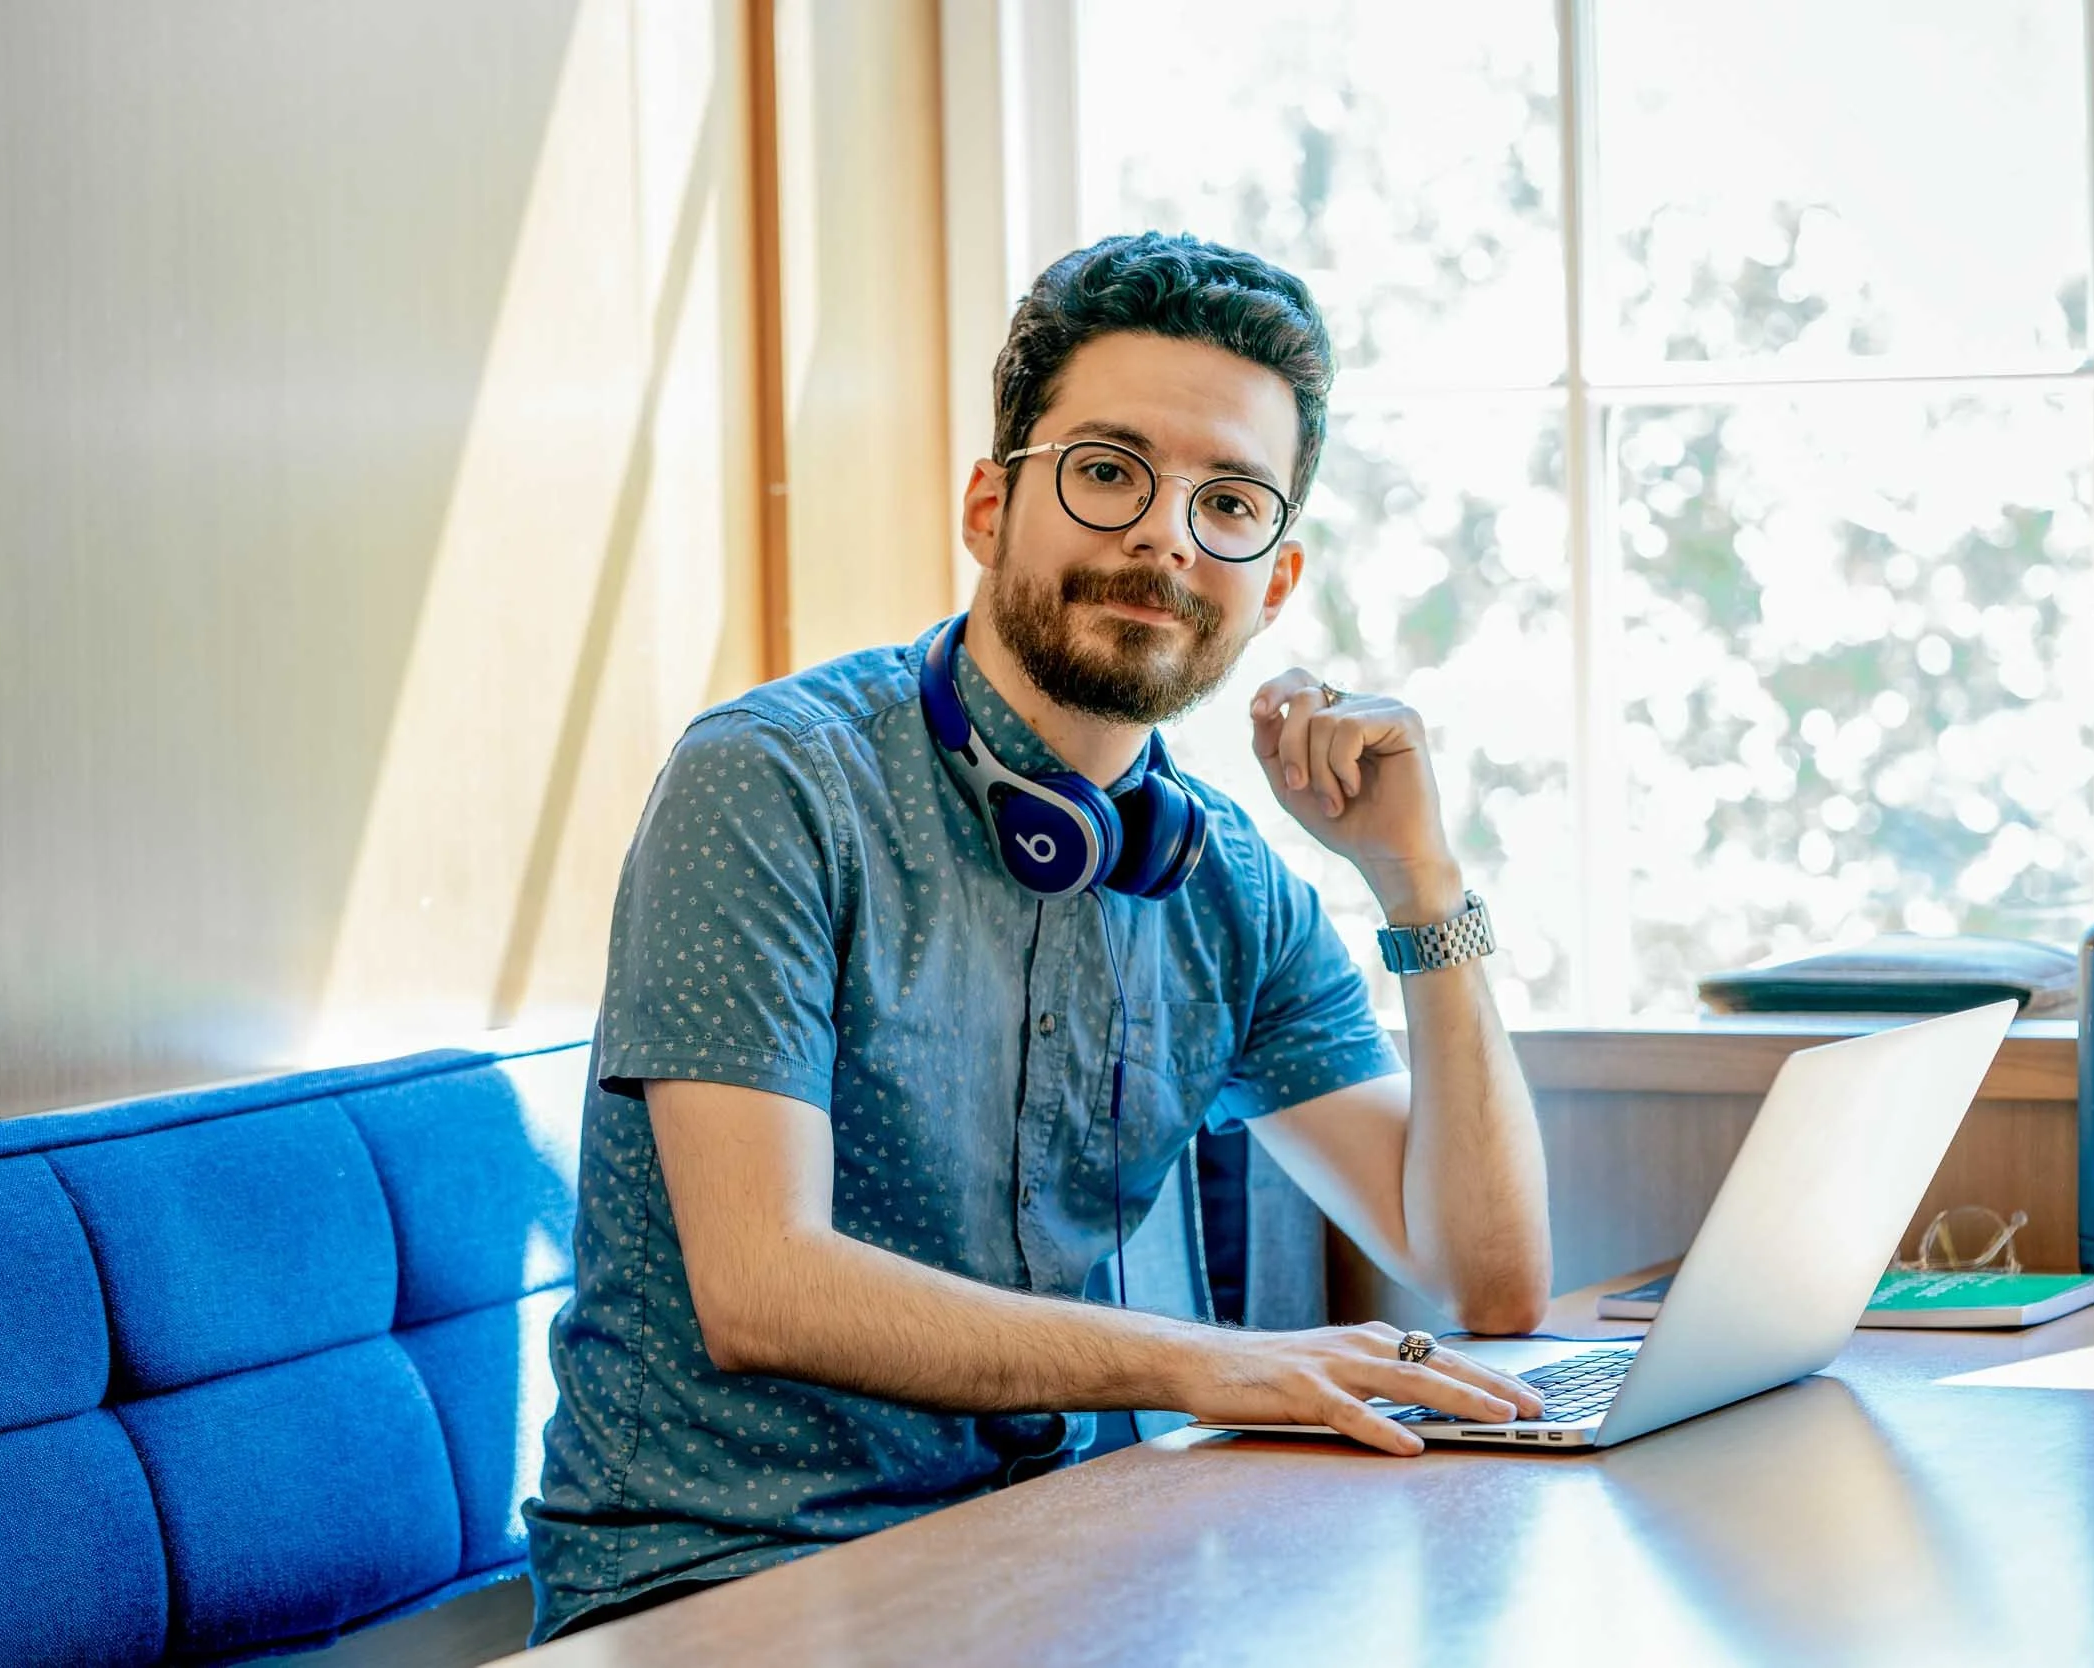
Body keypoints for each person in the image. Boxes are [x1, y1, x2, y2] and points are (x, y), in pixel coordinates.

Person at [524, 231, 1552, 1642]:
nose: (1165, 537)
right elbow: (764, 1284)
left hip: (1056, 1561)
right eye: (1111, 471)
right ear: (988, 504)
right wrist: (1212, 1367)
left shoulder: (1226, 880)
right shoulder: (770, 782)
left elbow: (1488, 1274)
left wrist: (1423, 889)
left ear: (1278, 579)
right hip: (721, 1588)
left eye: (1230, 502)